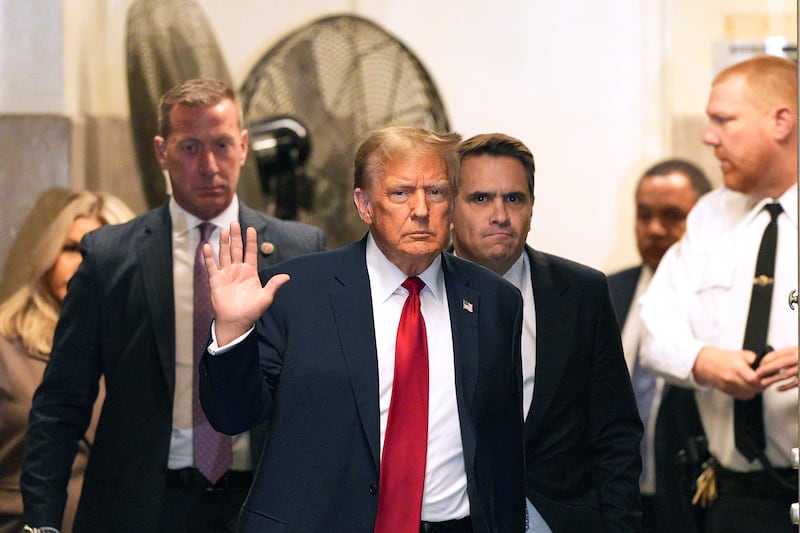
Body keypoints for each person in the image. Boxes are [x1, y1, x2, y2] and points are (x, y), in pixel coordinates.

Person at [21, 78, 326, 532]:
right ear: (161, 152)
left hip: (258, 502)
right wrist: (42, 522)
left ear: (244, 146)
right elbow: (61, 403)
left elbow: (317, 399)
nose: (208, 166)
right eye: (189, 148)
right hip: (139, 504)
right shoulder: (110, 256)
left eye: (222, 145)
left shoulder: (296, 250)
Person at [199, 126, 526, 532]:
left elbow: (505, 449)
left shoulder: (495, 302)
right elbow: (233, 416)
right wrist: (231, 332)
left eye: (437, 192)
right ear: (365, 204)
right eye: (401, 193)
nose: (421, 209)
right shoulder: (296, 293)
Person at [450, 132, 642, 531]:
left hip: (559, 519)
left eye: (514, 198)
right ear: (450, 208)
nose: (500, 215)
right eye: (481, 198)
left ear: (532, 207)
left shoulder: (582, 292)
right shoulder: (419, 294)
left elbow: (615, 431)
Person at [639, 55, 798, 533]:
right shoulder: (710, 215)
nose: (710, 137)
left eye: (723, 120)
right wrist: (703, 361)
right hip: (736, 500)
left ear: (780, 122)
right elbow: (655, 331)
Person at [0, 191, 134, 533]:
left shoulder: (141, 353)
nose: (82, 263)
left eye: (100, 251)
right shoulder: (5, 347)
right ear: (49, 256)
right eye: (73, 248)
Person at [607, 159, 712, 532]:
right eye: (644, 214)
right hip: (618, 508)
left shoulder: (718, 300)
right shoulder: (607, 293)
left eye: (672, 216)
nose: (654, 229)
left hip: (692, 508)